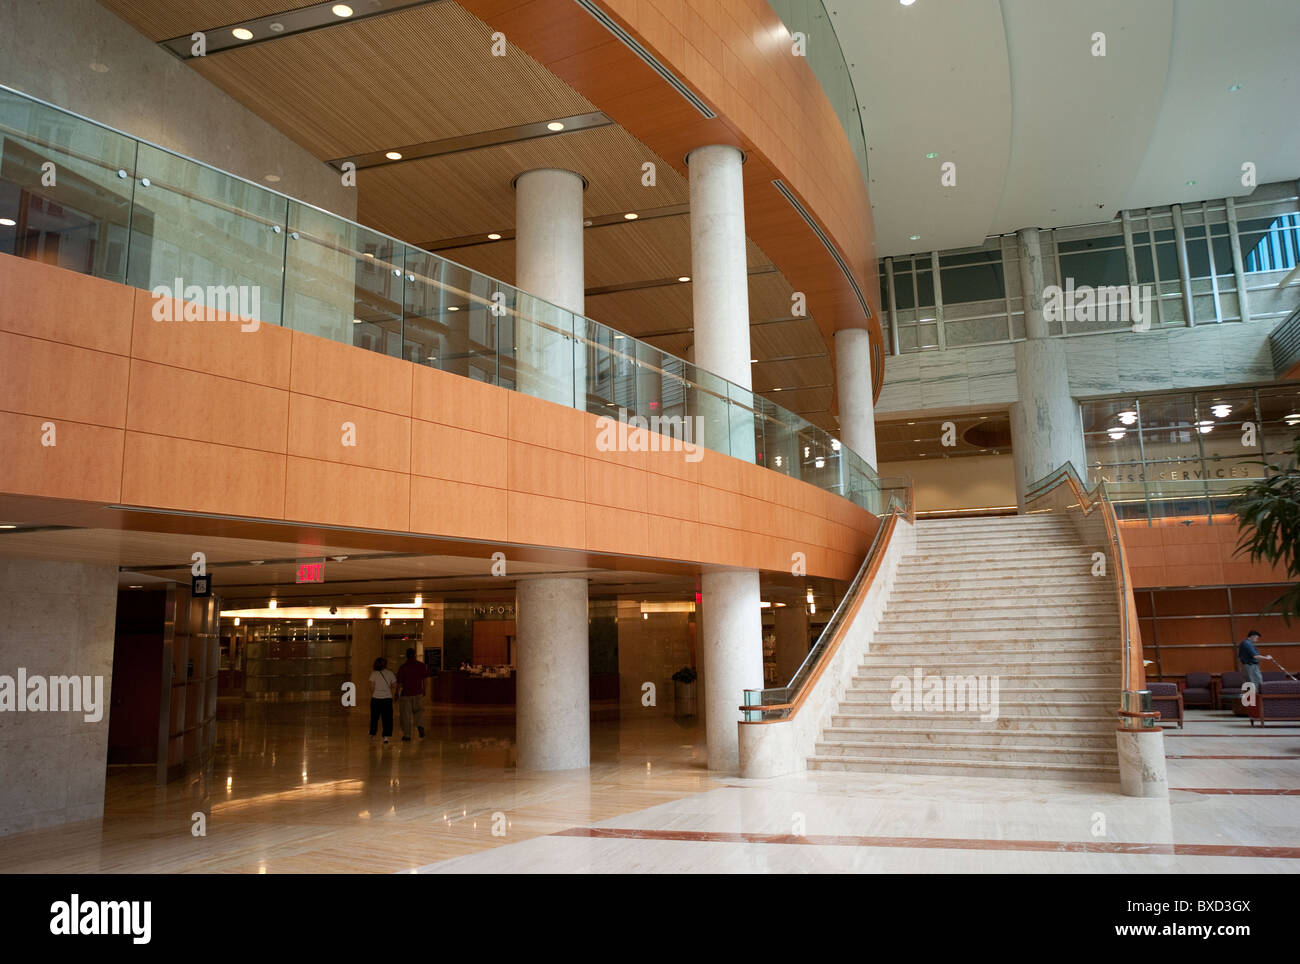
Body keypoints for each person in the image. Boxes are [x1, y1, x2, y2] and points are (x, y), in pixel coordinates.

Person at [396, 647, 428, 741]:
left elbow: (399, 682)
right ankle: (420, 725)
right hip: (418, 692)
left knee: (406, 715)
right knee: (419, 711)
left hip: (406, 694)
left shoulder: (403, 667)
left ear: (406, 655)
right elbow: (425, 679)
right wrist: (424, 689)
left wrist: (396, 693)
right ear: (414, 655)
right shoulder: (421, 665)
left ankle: (407, 735)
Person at [368, 656, 397, 744]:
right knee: (387, 718)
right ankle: (386, 737)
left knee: (374, 718)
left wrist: (377, 691)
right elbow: (394, 685)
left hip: (376, 699)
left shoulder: (374, 674)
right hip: (387, 699)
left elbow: (371, 687)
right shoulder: (390, 673)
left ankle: (372, 734)